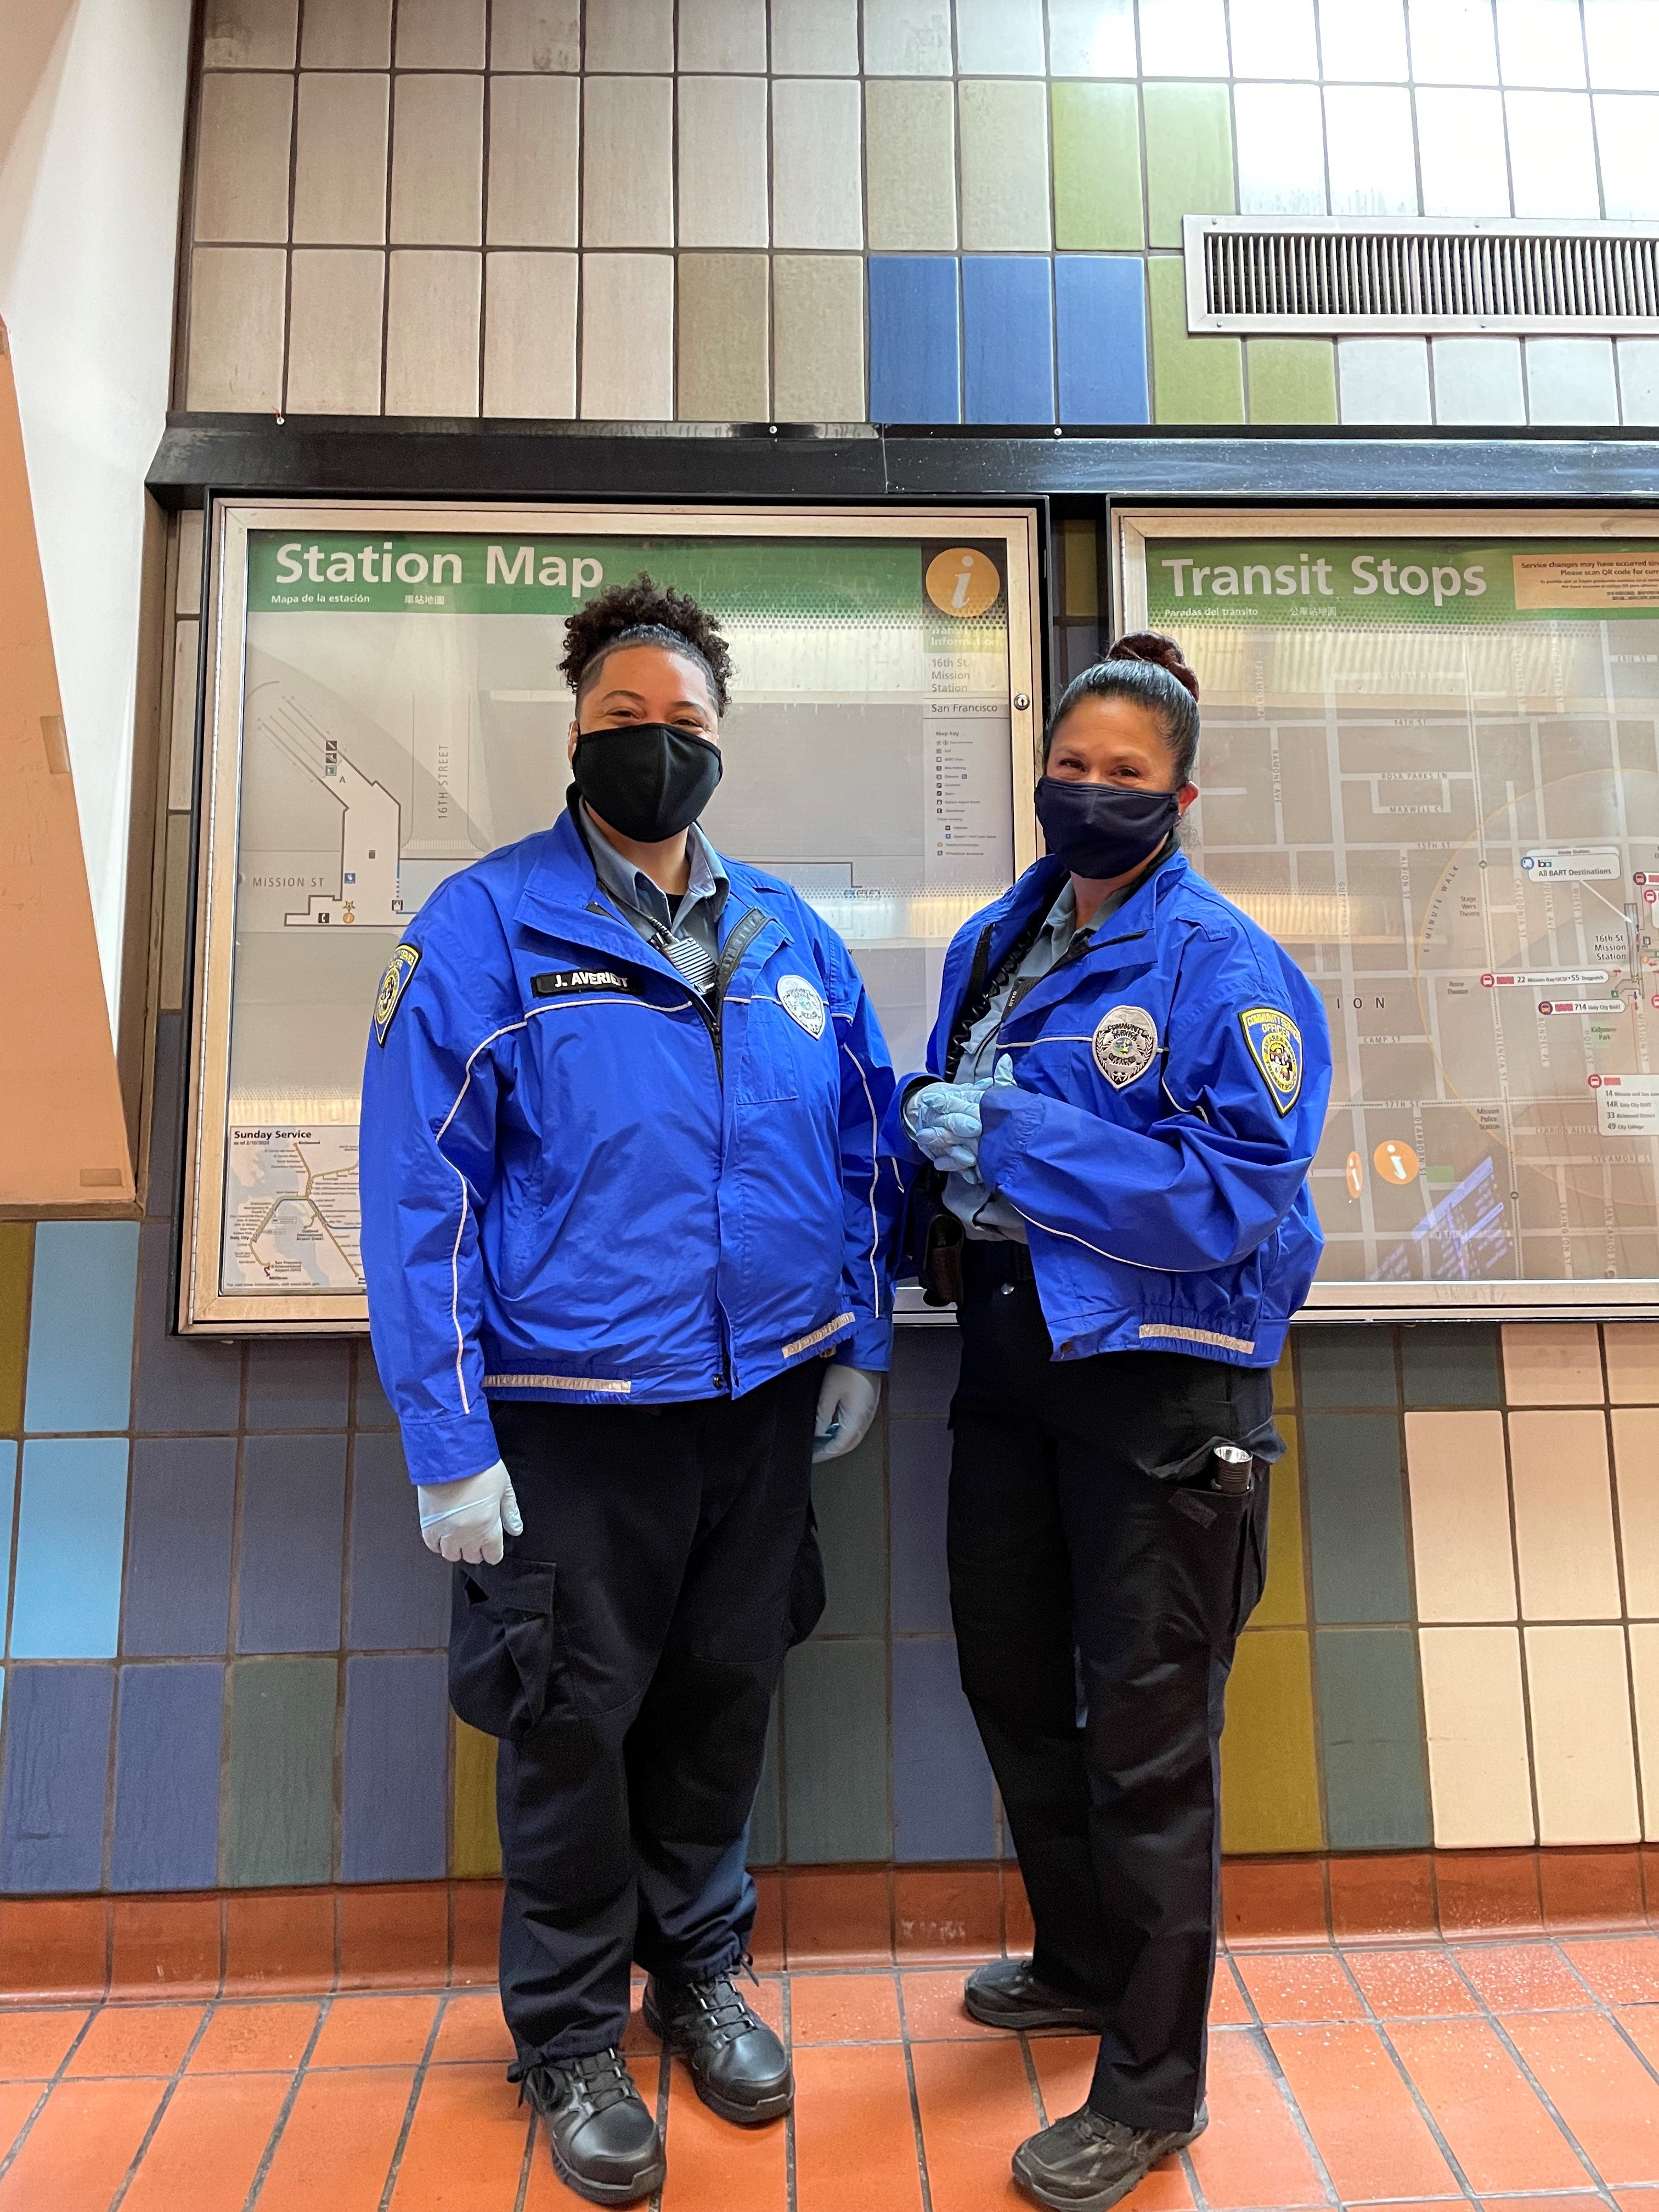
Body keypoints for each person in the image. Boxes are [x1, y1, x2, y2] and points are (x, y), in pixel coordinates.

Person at [360, 577, 898, 2208]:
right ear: (574, 733)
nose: (654, 750)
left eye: (682, 727)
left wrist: (860, 1335)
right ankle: (573, 2033)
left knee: (723, 1700)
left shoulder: (790, 935)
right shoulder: (482, 927)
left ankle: (701, 1979)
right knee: (571, 1728)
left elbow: (864, 1147)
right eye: (622, 724)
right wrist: (450, 1446)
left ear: (720, 743)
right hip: (570, 1424)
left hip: (756, 1416)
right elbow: (418, 1200)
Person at [883, 634, 1330, 2212]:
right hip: (1011, 1358)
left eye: (1125, 776)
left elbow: (1231, 1199)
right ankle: (1080, 1962)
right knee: (1010, 1675)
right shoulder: (1004, 936)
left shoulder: (1225, 968)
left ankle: (1153, 2088)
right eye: (1070, 768)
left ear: (1181, 796)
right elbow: (945, 1126)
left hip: (1161, 1379)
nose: (1088, 793)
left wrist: (1010, 1132)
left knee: (1150, 1742)